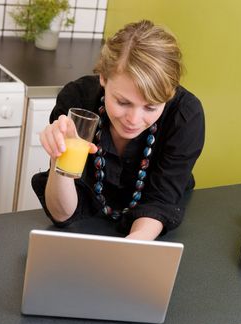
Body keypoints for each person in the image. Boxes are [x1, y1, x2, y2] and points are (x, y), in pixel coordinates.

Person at [32, 20, 205, 240]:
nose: (133, 119)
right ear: (103, 77)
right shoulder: (78, 101)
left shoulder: (185, 117)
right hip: (86, 225)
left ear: (170, 94)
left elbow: (160, 202)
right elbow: (61, 214)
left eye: (151, 107)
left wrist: (126, 251)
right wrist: (59, 157)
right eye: (123, 102)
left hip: (151, 227)